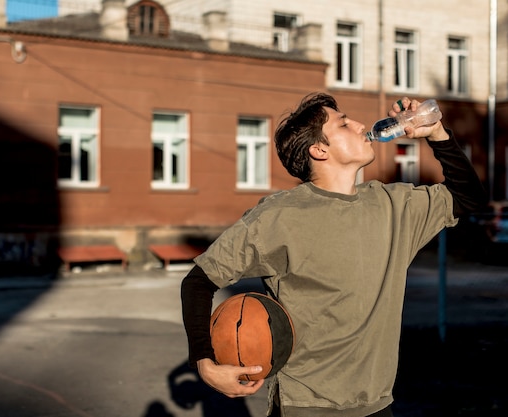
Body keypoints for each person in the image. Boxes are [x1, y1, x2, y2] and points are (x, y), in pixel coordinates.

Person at [181, 93, 486, 417]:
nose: (360, 125)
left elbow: (468, 197)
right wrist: (205, 361)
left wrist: (437, 133)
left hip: (377, 405)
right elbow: (199, 280)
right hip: (306, 406)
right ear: (319, 149)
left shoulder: (394, 205)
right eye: (343, 123)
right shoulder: (280, 216)